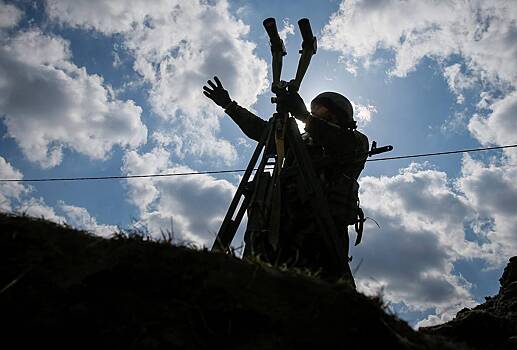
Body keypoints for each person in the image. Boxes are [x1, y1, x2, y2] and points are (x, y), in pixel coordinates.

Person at [203, 76, 369, 282]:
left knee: (324, 286)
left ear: (340, 118)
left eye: (324, 112)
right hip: (283, 228)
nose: (317, 115)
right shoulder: (299, 142)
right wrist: (230, 106)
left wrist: (302, 115)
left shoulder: (355, 142)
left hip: (321, 231)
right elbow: (262, 131)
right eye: (314, 110)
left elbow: (334, 139)